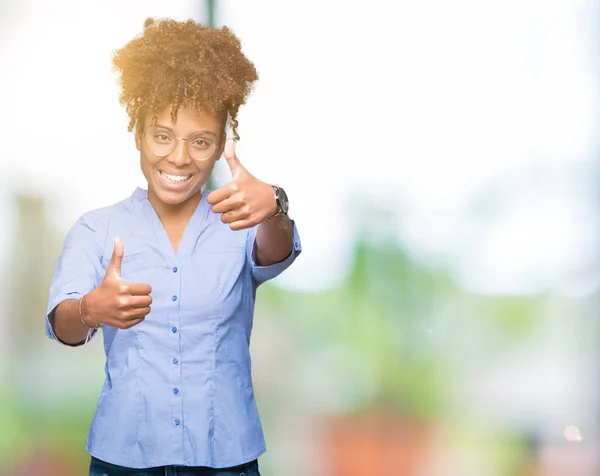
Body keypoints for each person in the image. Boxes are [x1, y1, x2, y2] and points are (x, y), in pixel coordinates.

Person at [45, 18, 301, 476]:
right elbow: (64, 325)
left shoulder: (240, 222)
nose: (179, 158)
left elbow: (275, 252)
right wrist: (91, 309)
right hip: (124, 458)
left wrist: (274, 206)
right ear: (139, 134)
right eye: (162, 136)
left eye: (200, 142)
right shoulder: (97, 229)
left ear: (221, 143)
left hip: (227, 459)